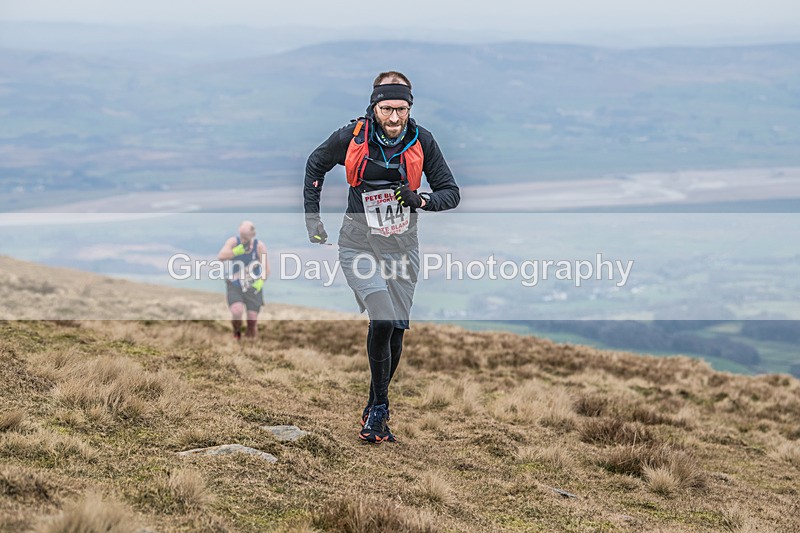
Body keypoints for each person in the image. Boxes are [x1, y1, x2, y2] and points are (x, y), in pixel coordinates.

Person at [304, 71, 460, 443]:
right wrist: (313, 219)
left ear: (410, 108)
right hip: (357, 243)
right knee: (383, 317)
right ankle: (381, 409)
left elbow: (450, 192)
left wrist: (421, 199)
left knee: (395, 328)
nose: (394, 117)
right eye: (387, 108)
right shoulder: (352, 137)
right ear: (374, 106)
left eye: (401, 109)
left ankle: (375, 404)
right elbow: (315, 164)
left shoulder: (423, 141)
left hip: (403, 247)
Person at [217, 220, 269, 340]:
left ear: (253, 234)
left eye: (246, 237)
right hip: (235, 284)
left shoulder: (259, 246)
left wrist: (260, 282)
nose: (243, 239)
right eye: (242, 236)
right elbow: (221, 256)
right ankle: (237, 334)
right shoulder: (233, 242)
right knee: (237, 311)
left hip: (252, 286)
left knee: (252, 319)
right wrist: (235, 251)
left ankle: (251, 343)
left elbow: (266, 269)